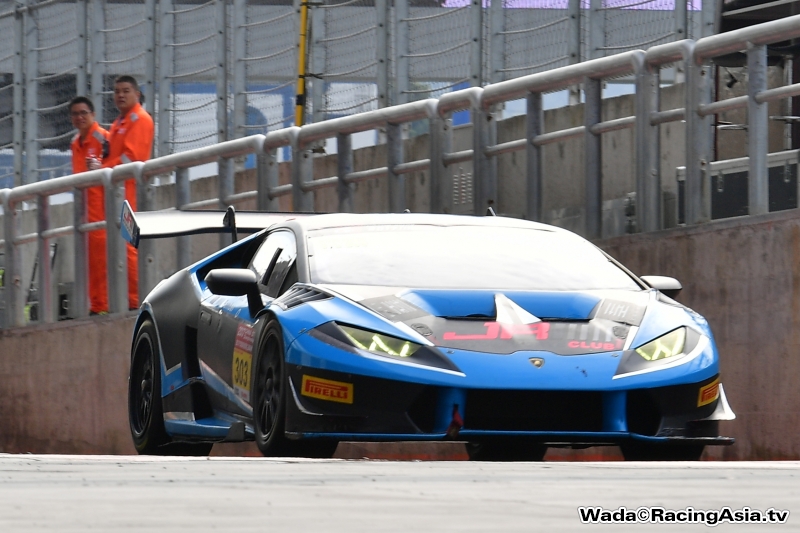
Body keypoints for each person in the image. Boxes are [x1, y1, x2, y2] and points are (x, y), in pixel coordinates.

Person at [103, 76, 155, 311]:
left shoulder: (140, 119)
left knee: (128, 248)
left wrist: (103, 169)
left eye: (125, 91)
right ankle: (123, 301)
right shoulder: (119, 123)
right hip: (120, 193)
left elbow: (130, 158)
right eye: (116, 91)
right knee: (119, 249)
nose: (120, 95)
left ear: (137, 94)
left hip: (131, 193)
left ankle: (135, 303)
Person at [69, 96, 109, 314]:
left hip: (101, 210)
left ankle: (103, 306)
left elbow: (115, 169)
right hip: (85, 212)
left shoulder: (103, 138)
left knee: (102, 263)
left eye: (83, 113)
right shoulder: (75, 144)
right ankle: (96, 305)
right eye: (75, 114)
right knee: (91, 264)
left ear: (93, 115)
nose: (79, 117)